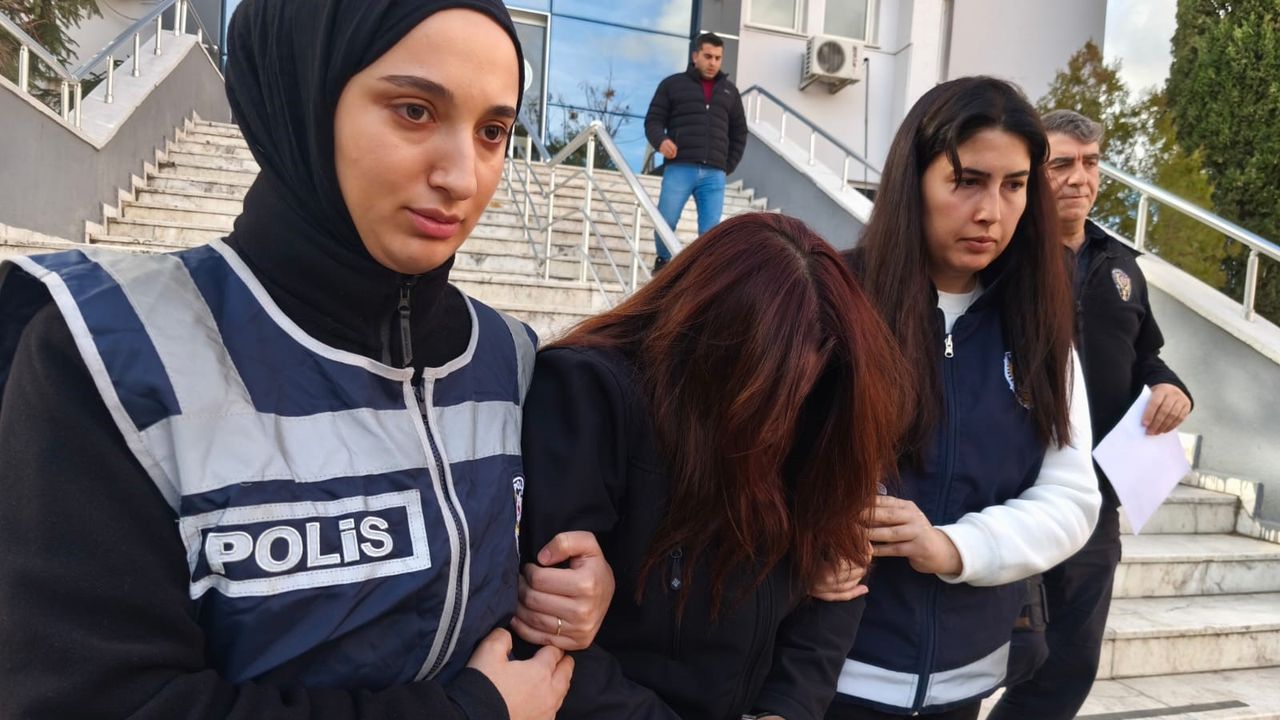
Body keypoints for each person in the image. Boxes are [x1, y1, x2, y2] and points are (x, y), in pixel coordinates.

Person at [0, 2, 615, 718]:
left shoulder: (511, 358)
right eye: (414, 111)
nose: (462, 177)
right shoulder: (108, 350)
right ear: (305, 98)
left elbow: (521, 584)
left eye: (492, 132)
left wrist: (578, 590)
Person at [517, 212, 910, 719]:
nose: (778, 425)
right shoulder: (591, 396)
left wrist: (786, 709)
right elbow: (545, 631)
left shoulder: (825, 409)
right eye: (763, 397)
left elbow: (841, 580)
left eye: (800, 394)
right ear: (705, 345)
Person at [826, 77, 1102, 719]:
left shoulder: (1039, 327)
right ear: (914, 181)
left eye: (1014, 185)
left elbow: (1071, 495)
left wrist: (953, 547)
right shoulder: (829, 299)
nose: (991, 212)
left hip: (966, 679)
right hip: (823, 675)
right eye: (967, 181)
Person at [988, 109, 1193, 720]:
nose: (1080, 177)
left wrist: (1169, 386)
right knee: (994, 655)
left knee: (1071, 661)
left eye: (1092, 162)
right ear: (1033, 172)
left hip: (1096, 496)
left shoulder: (1122, 264)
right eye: (1062, 165)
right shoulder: (1002, 256)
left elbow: (1144, 354)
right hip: (1012, 488)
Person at [644, 32, 748, 271]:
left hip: (714, 174)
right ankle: (663, 261)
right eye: (708, 56)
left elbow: (740, 132)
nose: (713, 63)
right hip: (680, 167)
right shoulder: (672, 85)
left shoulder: (730, 92)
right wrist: (661, 141)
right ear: (695, 56)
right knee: (666, 220)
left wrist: (728, 165)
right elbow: (653, 120)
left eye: (718, 58)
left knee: (711, 232)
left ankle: (702, 274)